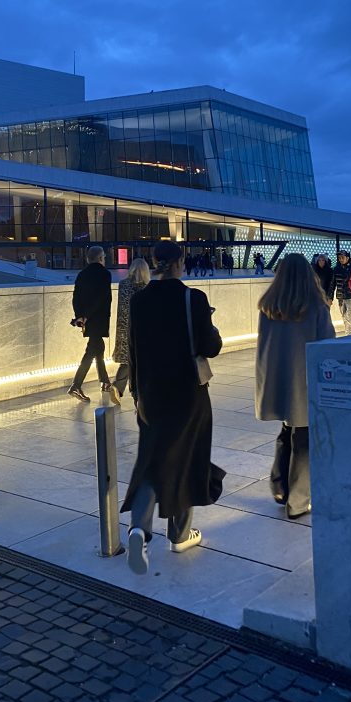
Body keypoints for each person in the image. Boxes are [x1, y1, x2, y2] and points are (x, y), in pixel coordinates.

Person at [121, 240, 224, 575]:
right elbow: (210, 346)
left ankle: (139, 528)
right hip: (187, 394)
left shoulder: (139, 301)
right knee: (188, 456)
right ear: (180, 262)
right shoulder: (192, 298)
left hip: (151, 394)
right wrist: (213, 328)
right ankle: (180, 534)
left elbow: (133, 351)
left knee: (152, 460)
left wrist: (137, 394)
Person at [255, 253, 335, 519]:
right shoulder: (316, 307)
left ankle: (280, 486)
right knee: (304, 441)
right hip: (304, 383)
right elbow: (328, 346)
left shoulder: (268, 306)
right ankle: (299, 501)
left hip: (278, 381)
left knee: (286, 431)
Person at [67, 245, 112, 403]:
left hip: (87, 320)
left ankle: (105, 382)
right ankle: (76, 385)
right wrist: (86, 315)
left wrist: (80, 315)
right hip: (97, 319)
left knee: (98, 347)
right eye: (104, 257)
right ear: (100, 258)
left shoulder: (82, 274)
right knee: (92, 350)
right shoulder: (105, 274)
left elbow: (76, 297)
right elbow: (101, 298)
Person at [110, 258, 150, 406]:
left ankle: (118, 387)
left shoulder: (123, 284)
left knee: (127, 360)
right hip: (140, 330)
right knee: (139, 362)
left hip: (123, 328)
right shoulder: (146, 288)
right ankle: (137, 393)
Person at [331, 250, 351, 334]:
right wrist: (330, 297)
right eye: (339, 258)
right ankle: (348, 332)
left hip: (350, 296)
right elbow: (333, 284)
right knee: (344, 315)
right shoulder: (336, 269)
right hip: (340, 296)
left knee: (349, 316)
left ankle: (349, 334)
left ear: (347, 258)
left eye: (342, 257)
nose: (341, 259)